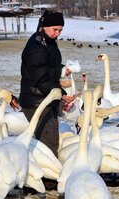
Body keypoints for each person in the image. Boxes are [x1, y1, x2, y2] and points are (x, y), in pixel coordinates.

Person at [19, 11, 75, 157]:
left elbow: (47, 66)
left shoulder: (47, 42)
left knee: (51, 142)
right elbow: (40, 77)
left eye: (60, 30)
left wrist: (62, 69)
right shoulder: (36, 46)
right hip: (36, 102)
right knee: (48, 145)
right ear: (44, 26)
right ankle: (47, 179)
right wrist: (61, 94)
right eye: (55, 30)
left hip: (45, 99)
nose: (57, 34)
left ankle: (47, 177)